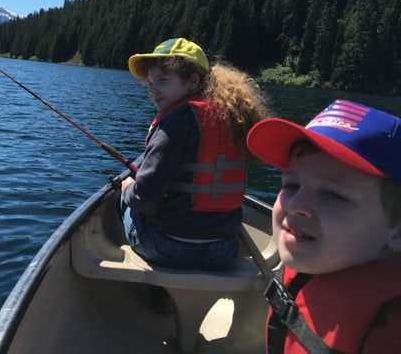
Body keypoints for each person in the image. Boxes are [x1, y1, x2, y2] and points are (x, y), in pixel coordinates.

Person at [246, 99, 401, 353]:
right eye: (290, 185)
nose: (296, 204)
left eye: (331, 194)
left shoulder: (392, 331)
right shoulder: (327, 260)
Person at [119, 37, 269, 270]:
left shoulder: (174, 123)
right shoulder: (234, 118)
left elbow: (144, 200)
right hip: (223, 250)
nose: (153, 90)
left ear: (192, 81)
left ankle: (147, 287)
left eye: (163, 80)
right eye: (150, 83)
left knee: (124, 196)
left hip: (167, 247)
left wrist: (127, 187)